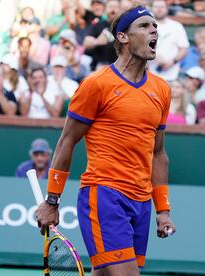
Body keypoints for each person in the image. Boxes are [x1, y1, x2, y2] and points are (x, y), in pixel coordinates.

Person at [36, 6, 175, 276]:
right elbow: (67, 141)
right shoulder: (95, 85)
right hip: (105, 196)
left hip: (141, 203)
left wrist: (163, 209)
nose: (154, 30)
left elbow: (159, 153)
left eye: (155, 26)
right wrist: (52, 200)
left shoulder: (162, 90)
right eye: (145, 26)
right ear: (122, 37)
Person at [147, 0, 189, 81]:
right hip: (150, 75)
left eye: (162, 7)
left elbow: (184, 49)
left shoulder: (177, 26)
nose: (159, 9)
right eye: (156, 7)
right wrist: (155, 56)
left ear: (167, 8)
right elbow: (140, 46)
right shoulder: (146, 26)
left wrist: (172, 62)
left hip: (172, 76)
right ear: (151, 8)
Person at [83, 0, 121, 70]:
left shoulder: (124, 27)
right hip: (99, 66)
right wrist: (97, 41)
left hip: (118, 67)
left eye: (116, 7)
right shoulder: (98, 25)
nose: (113, 9)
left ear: (120, 9)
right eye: (110, 7)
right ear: (105, 9)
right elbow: (86, 43)